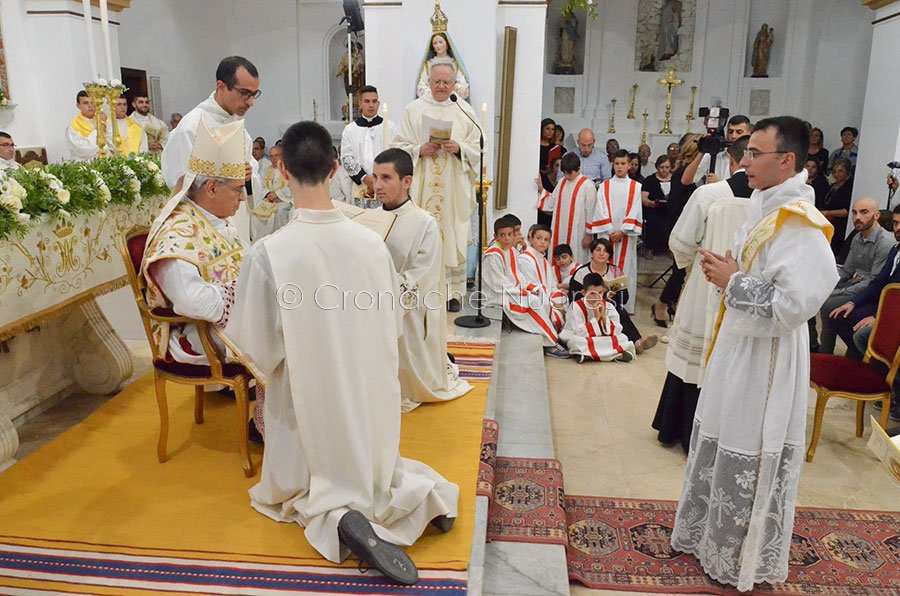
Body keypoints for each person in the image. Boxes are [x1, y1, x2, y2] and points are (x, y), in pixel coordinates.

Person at [221, 121, 458, 586]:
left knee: (303, 482)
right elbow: (392, 321)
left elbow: (254, 348)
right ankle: (412, 499)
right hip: (370, 399)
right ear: (334, 169)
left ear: (282, 170)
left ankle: (336, 514)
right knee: (382, 472)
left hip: (309, 401)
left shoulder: (267, 254)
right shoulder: (371, 244)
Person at [671, 116, 838, 592]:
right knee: (724, 430)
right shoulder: (765, 207)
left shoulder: (801, 224)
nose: (744, 161)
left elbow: (795, 305)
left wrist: (734, 282)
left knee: (749, 441)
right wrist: (731, 274)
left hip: (768, 357)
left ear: (787, 161)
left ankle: (740, 552)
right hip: (739, 345)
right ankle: (711, 536)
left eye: (755, 153)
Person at [652, 135, 752, 452]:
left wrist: (689, 267)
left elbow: (680, 242)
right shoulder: (768, 201)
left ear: (730, 160)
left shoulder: (709, 194)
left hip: (706, 284)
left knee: (694, 360)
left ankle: (679, 429)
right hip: (745, 292)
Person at [141, 116, 247, 371]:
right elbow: (192, 301)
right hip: (195, 333)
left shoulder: (214, 219)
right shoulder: (178, 233)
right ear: (211, 188)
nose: (243, 197)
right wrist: (246, 296)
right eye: (238, 189)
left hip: (227, 320)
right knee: (283, 333)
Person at [373, 148, 473, 412]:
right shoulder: (370, 219)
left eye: (386, 178)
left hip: (407, 313)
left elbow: (422, 276)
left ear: (407, 181)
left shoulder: (424, 223)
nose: (377, 185)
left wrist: (386, 291)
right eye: (375, 177)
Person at [393, 61, 480, 312]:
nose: (441, 86)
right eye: (437, 81)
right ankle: (420, 289)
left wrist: (460, 148)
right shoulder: (414, 110)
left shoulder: (464, 111)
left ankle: (452, 293)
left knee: (450, 233)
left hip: (452, 188)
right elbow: (397, 145)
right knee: (420, 234)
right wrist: (418, 149)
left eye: (446, 82)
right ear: (428, 82)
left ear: (454, 84)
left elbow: (479, 147)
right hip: (421, 186)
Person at [162, 56, 262, 247]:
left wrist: (248, 178)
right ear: (221, 86)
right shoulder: (191, 128)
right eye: (244, 93)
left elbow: (252, 183)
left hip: (238, 225)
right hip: (205, 232)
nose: (250, 103)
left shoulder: (238, 127)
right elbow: (179, 187)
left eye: (254, 94)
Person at [814, 198, 894, 355]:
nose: (857, 217)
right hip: (855, 283)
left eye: (864, 212)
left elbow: (872, 282)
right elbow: (847, 271)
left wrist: (837, 292)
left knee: (827, 305)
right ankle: (816, 346)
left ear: (876, 215)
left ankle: (825, 352)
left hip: (869, 291)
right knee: (814, 294)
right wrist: (823, 282)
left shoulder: (885, 243)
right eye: (854, 213)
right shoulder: (857, 237)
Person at [483, 216, 569, 359]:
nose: (507, 238)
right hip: (497, 295)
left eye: (510, 234)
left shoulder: (510, 250)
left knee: (539, 293)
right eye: (503, 235)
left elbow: (518, 277)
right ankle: (550, 343)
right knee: (533, 302)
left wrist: (530, 287)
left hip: (511, 290)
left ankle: (552, 335)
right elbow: (498, 285)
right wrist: (522, 292)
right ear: (495, 236)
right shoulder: (493, 255)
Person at [567, 238, 658, 355]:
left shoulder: (615, 272)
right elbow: (573, 296)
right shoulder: (581, 272)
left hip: (607, 306)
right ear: (592, 253)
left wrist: (608, 296)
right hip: (585, 307)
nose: (601, 253)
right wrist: (593, 297)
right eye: (598, 250)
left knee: (621, 311)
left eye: (605, 251)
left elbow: (624, 298)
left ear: (609, 255)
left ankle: (638, 342)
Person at [651, 133, 701, 326]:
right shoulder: (683, 173)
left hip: (687, 223)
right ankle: (662, 304)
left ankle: (672, 302)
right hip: (679, 224)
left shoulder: (688, 172)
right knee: (680, 269)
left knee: (682, 270)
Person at [594, 150, 642, 314]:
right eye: (617, 164)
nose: (620, 167)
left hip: (625, 236)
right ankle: (604, 301)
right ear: (612, 165)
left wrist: (622, 231)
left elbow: (635, 210)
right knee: (604, 266)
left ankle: (622, 304)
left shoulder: (636, 187)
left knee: (624, 267)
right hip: (607, 234)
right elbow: (600, 208)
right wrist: (609, 230)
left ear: (629, 165)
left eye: (623, 163)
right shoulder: (604, 186)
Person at [543, 152, 604, 265]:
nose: (566, 176)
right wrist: (541, 190)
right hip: (559, 229)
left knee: (576, 257)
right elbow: (552, 201)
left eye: (569, 173)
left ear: (578, 169)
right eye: (564, 173)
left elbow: (591, 211)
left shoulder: (588, 185)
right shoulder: (562, 182)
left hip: (578, 231)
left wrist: (588, 235)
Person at [340, 86, 396, 208]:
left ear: (378, 104)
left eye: (374, 101)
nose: (371, 105)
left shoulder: (390, 127)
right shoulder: (350, 130)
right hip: (361, 184)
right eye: (367, 101)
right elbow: (346, 158)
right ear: (360, 104)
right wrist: (364, 177)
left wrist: (381, 177)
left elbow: (395, 154)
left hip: (384, 183)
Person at [561, 273, 636, 363]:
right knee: (576, 341)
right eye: (592, 293)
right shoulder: (576, 306)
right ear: (584, 293)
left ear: (604, 291)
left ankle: (587, 355)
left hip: (599, 339)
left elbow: (617, 329)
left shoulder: (608, 306)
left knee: (623, 338)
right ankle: (615, 354)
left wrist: (603, 317)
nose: (597, 297)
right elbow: (579, 332)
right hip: (583, 337)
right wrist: (596, 318)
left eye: (600, 293)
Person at [518, 224, 565, 332]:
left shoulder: (544, 260)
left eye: (546, 240)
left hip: (548, 300)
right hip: (536, 302)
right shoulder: (525, 259)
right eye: (539, 238)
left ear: (549, 243)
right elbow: (534, 288)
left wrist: (559, 304)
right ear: (531, 238)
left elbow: (552, 286)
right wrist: (554, 305)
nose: (542, 242)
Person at [682, 114, 752, 186]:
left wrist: (719, 184)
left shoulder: (752, 158)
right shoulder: (714, 154)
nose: (733, 136)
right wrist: (703, 150)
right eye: (730, 132)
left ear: (749, 134)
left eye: (739, 132)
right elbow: (686, 180)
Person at [251, 143, 292, 240]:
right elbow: (262, 185)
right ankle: (259, 239)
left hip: (283, 200)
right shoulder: (268, 170)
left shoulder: (289, 170)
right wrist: (268, 194)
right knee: (255, 209)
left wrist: (277, 194)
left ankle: (279, 239)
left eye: (276, 155)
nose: (274, 159)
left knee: (280, 211)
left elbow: (291, 187)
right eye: (271, 156)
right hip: (269, 199)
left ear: (282, 156)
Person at [416, 32, 470, 100]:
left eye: (441, 42)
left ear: (447, 45)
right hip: (433, 102)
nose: (438, 46)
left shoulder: (455, 64)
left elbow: (464, 88)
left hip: (451, 102)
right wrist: (435, 92)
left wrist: (452, 88)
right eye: (435, 43)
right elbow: (421, 88)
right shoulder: (428, 65)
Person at [818, 157, 854, 256]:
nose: (837, 174)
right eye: (834, 171)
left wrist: (827, 213)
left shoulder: (849, 187)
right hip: (828, 223)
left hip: (839, 227)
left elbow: (846, 211)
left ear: (847, 172)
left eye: (840, 171)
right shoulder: (833, 186)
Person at [640, 155, 673, 258]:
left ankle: (671, 248)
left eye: (667, 167)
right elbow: (643, 198)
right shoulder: (650, 180)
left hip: (671, 210)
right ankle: (650, 248)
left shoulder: (675, 179)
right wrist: (651, 203)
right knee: (653, 220)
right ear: (657, 167)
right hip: (654, 209)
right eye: (662, 167)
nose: (664, 170)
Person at [65, 90, 101, 161]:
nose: (90, 105)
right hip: (86, 164)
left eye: (92, 102)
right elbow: (84, 150)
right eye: (85, 103)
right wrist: (100, 128)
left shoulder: (101, 119)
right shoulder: (73, 127)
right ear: (78, 105)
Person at [539, 118, 562, 192]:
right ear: (542, 129)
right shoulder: (535, 145)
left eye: (552, 129)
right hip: (537, 177)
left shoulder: (555, 147)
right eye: (547, 128)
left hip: (550, 178)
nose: (550, 131)